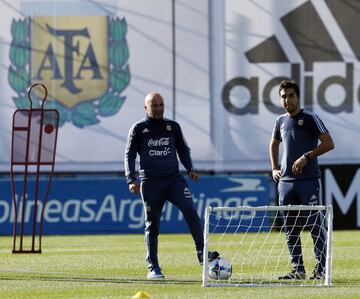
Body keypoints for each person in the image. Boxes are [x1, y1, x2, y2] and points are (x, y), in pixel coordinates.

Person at [124, 92, 219, 280]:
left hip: (174, 180)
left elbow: (183, 149)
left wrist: (191, 168)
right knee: (152, 225)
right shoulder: (138, 129)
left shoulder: (172, 127)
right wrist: (131, 179)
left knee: (190, 210)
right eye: (154, 105)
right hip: (150, 183)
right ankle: (153, 267)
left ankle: (202, 253)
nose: (158, 108)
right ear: (146, 108)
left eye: (161, 104)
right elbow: (129, 155)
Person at [269, 80, 335, 280]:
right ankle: (298, 270)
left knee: (315, 225)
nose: (287, 100)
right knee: (290, 228)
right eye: (283, 96)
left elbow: (329, 143)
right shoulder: (280, 121)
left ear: (298, 97)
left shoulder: (310, 118)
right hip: (286, 183)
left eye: (290, 95)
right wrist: (274, 168)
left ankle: (321, 269)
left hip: (308, 180)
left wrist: (307, 156)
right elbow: (273, 144)